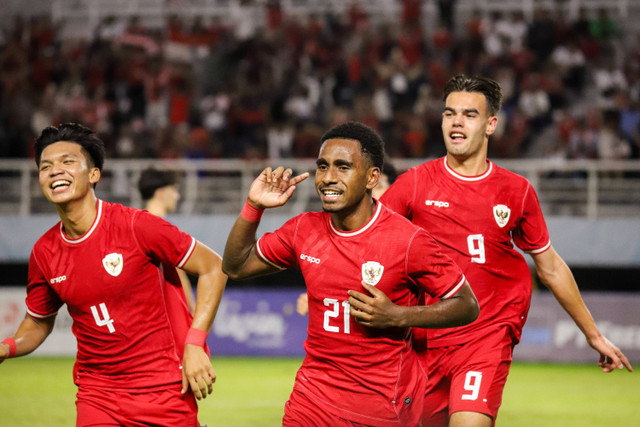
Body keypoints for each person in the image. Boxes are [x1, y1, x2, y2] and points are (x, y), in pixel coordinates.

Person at [354, 75, 633, 427]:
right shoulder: (414, 184)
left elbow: (550, 267)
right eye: (449, 113)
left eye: (469, 115)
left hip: (486, 334)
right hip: (425, 341)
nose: (456, 122)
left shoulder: (516, 191)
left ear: (491, 125)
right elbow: (367, 243)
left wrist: (593, 334)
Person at [222, 121, 479, 426]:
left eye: (343, 167)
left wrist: (398, 316)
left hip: (381, 406)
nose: (328, 178)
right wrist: (253, 207)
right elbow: (235, 266)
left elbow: (467, 305)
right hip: (311, 400)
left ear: (372, 177)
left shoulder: (408, 241)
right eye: (323, 166)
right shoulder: (303, 230)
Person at [0, 123, 228, 426]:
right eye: (46, 167)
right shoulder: (44, 252)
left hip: (163, 390)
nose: (55, 170)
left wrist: (195, 343)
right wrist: (8, 346)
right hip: (97, 394)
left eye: (68, 162)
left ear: (94, 174)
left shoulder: (137, 226)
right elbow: (39, 320)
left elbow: (214, 266)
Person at [296, 159, 399, 316]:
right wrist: (320, 299)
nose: (371, 192)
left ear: (394, 189)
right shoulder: (344, 237)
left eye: (378, 186)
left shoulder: (410, 237)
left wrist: (397, 315)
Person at [138, 166, 196, 312]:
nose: (177, 196)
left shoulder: (134, 225)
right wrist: (193, 311)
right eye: (174, 190)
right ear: (161, 193)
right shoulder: (163, 230)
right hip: (161, 313)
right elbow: (180, 276)